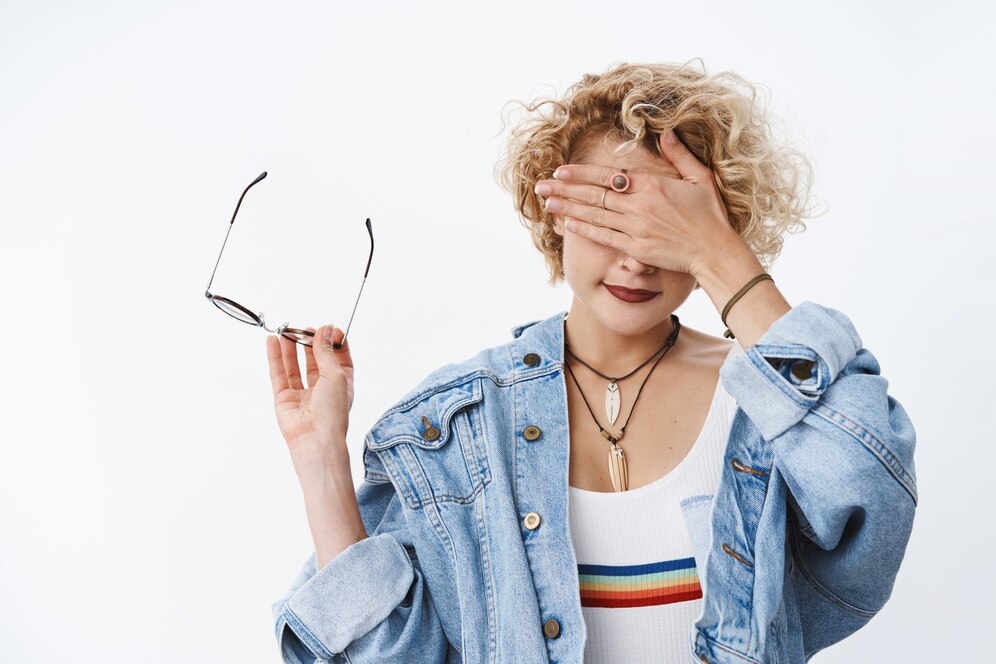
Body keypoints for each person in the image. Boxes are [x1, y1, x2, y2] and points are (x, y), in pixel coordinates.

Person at [266, 60, 918, 663]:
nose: (636, 259)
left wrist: (720, 256)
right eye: (609, 217)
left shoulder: (766, 402)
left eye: (663, 227)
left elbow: (873, 504)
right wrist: (320, 461)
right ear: (553, 209)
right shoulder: (458, 426)